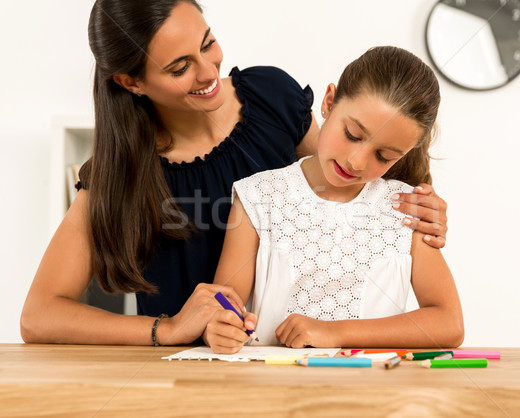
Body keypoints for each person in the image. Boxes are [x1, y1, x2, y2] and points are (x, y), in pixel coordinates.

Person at [20, 0, 449, 346]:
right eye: (179, 67)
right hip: (191, 374)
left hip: (286, 359)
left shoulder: (271, 100)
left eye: (208, 44)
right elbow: (40, 316)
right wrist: (164, 330)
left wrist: (419, 210)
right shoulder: (121, 171)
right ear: (132, 83)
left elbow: (344, 169)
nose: (208, 73)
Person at [206, 46, 463, 353]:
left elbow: (449, 324)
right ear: (329, 102)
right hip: (273, 389)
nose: (356, 162)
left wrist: (334, 332)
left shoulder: (407, 209)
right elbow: (223, 306)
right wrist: (219, 328)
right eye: (353, 134)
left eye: (384, 156)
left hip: (375, 391)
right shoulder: (258, 197)